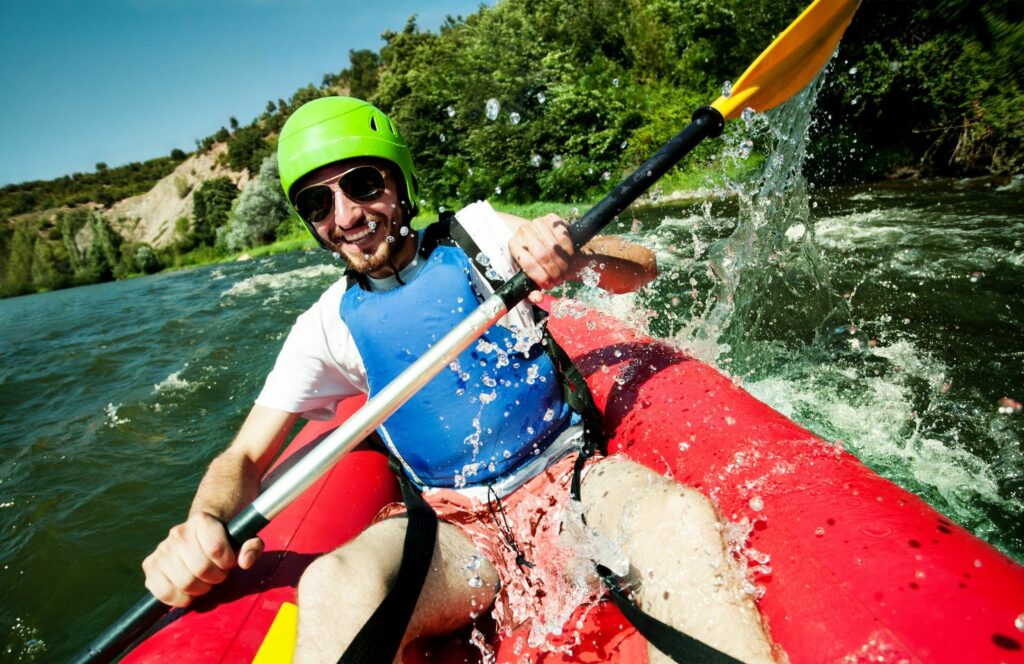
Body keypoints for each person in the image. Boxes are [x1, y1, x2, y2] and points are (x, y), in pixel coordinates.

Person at [142, 96, 775, 663]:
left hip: (570, 481)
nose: (347, 214)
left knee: (677, 519)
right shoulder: (326, 326)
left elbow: (640, 268)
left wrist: (575, 252)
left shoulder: (481, 236)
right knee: (332, 583)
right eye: (318, 202)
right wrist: (202, 520)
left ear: (400, 184)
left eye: (362, 185)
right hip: (455, 534)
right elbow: (245, 455)